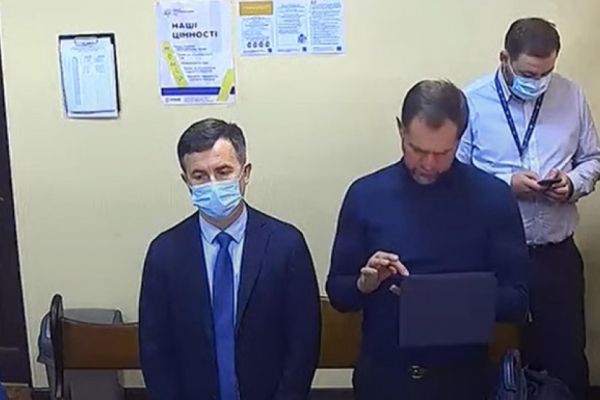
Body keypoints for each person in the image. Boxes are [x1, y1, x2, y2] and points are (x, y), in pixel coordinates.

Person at [326, 80, 529, 400]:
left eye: (443, 153)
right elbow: (338, 292)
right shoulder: (366, 195)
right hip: (385, 379)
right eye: (417, 150)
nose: (429, 164)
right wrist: (365, 285)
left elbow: (518, 300)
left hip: (464, 381)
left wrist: (440, 298)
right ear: (401, 131)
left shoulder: (493, 198)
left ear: (460, 140)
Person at [457, 18, 600, 399]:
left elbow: (593, 159)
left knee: (565, 360)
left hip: (556, 256)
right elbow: (456, 175)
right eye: (527, 74)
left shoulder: (571, 95)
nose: (537, 82)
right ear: (504, 59)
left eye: (546, 73)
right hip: (494, 259)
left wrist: (573, 183)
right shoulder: (472, 101)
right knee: (492, 359)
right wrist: (508, 185)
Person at [139, 118, 321, 400]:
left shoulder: (286, 246)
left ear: (245, 173)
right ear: (186, 181)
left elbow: (303, 343)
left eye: (223, 171)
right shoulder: (165, 253)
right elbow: (155, 349)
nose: (212, 184)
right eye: (199, 176)